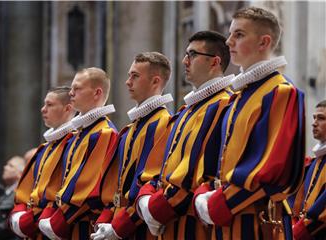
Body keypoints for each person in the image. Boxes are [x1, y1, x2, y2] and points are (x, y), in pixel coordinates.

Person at [193, 6, 305, 239]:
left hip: (256, 220)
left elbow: (271, 166)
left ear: (263, 42)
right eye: (231, 33)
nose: (228, 41)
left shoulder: (280, 91)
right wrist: (206, 193)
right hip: (226, 219)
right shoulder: (238, 97)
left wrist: (220, 204)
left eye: (239, 35)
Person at [133, 31, 233, 239]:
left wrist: (157, 208)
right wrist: (146, 198)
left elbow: (201, 170)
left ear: (214, 62)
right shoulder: (185, 111)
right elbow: (162, 166)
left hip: (194, 223)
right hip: (170, 220)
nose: (185, 61)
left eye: (192, 55)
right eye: (186, 54)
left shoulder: (224, 104)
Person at [90, 52, 174, 240]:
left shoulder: (162, 123)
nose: (128, 82)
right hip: (121, 222)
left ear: (155, 81)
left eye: (135, 76)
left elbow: (146, 185)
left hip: (141, 227)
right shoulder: (130, 129)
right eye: (129, 75)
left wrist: (119, 228)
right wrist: (108, 219)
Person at [38, 67, 118, 240]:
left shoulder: (103, 133)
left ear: (97, 93)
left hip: (84, 223)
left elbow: (87, 187)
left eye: (77, 89)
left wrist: (58, 221)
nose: (71, 93)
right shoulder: (78, 134)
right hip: (68, 223)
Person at [9, 86, 76, 239]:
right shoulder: (45, 148)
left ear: (67, 108)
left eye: (50, 105)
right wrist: (19, 214)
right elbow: (26, 191)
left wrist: (31, 220)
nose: (42, 109)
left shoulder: (73, 144)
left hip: (56, 227)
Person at [288, 100, 325, 240]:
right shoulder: (316, 161)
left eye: (321, 118)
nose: (314, 123)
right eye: (314, 117)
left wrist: (302, 229)